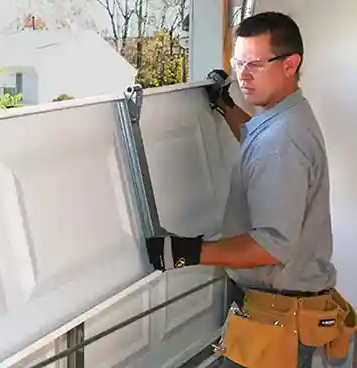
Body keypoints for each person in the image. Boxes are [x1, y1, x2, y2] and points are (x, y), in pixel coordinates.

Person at [145, 11, 356, 368]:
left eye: (255, 64)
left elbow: (270, 246)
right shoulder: (286, 115)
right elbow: (253, 135)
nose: (242, 75)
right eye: (237, 62)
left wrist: (185, 252)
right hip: (287, 312)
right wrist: (224, 106)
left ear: (290, 64)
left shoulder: (283, 142)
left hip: (281, 324)